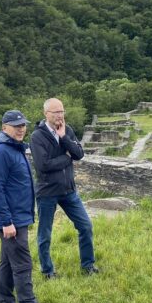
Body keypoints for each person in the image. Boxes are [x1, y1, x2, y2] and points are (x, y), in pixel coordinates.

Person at [0, 110, 59, 303]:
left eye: (23, 125)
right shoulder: (1, 152)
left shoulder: (15, 148)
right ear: (4, 127)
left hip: (19, 216)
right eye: (15, 125)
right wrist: (6, 221)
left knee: (8, 263)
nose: (21, 128)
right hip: (12, 219)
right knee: (23, 265)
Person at [30, 98, 98, 278]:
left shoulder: (67, 131)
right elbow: (43, 165)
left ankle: (88, 266)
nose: (60, 115)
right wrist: (67, 158)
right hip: (47, 192)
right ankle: (47, 271)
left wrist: (64, 138)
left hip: (69, 190)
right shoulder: (37, 137)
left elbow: (79, 154)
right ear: (46, 114)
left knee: (85, 226)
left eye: (62, 111)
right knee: (45, 234)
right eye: (56, 112)